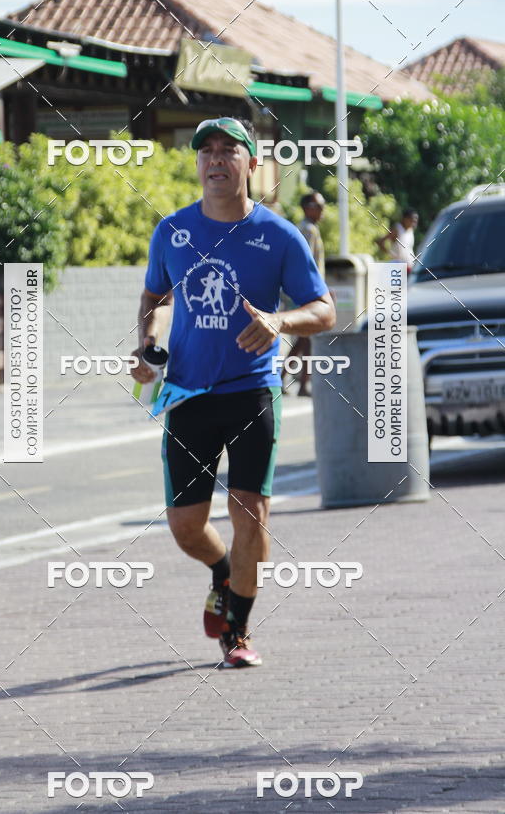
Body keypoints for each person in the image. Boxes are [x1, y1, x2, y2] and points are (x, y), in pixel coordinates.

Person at [131, 117, 335, 668]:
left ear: (251, 163)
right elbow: (155, 294)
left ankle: (237, 631)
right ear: (199, 163)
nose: (216, 159)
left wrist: (279, 321)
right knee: (185, 527)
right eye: (207, 151)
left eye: (229, 150)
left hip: (253, 391)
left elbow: (324, 309)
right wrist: (146, 344)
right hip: (187, 392)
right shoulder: (172, 231)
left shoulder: (280, 235)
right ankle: (222, 572)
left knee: (250, 511)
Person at [284, 192, 327, 396]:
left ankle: (302, 383)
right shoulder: (308, 230)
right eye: (319, 206)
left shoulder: (307, 228)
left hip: (304, 292)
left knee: (305, 340)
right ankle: (285, 378)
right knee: (304, 339)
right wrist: (317, 292)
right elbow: (306, 264)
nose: (322, 211)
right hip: (305, 294)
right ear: (307, 207)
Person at [375, 208, 419, 273]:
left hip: (410, 266)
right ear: (405, 219)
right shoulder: (397, 229)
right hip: (398, 267)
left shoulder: (410, 230)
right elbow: (380, 242)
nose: (414, 224)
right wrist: (390, 254)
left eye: (415, 221)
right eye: (412, 221)